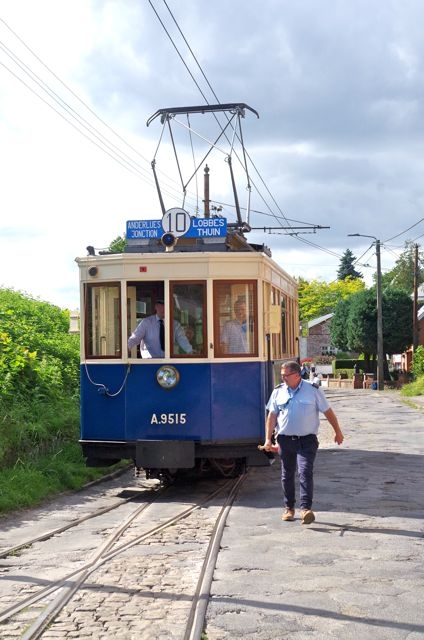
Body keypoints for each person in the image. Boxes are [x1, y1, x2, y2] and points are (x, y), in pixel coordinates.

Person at [263, 360, 344, 525]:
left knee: (305, 471)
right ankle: (289, 508)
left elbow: (328, 412)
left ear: (297, 375)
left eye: (286, 376)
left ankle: (306, 508)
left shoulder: (313, 390)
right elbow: (272, 416)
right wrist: (267, 439)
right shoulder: (278, 392)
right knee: (287, 474)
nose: (283, 378)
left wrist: (338, 431)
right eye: (282, 375)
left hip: (307, 440)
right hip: (285, 440)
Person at [128, 299, 193, 358]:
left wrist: (190, 351)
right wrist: (127, 348)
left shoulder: (175, 324)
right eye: (162, 305)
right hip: (149, 362)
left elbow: (182, 339)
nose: (164, 308)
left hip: (168, 362)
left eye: (167, 305)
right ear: (156, 306)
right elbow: (135, 337)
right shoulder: (146, 322)